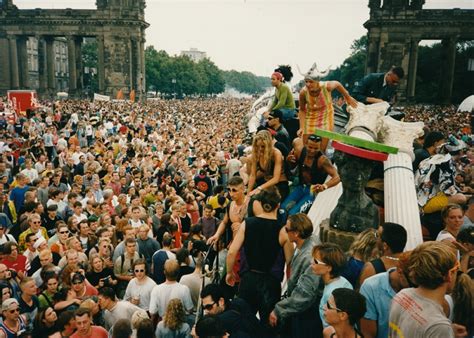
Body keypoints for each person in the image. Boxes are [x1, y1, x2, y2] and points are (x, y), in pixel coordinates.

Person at [226, 186, 293, 331]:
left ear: (261, 204)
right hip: (270, 283)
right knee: (268, 326)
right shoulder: (282, 230)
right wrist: (290, 287)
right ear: (278, 205)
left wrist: (229, 273)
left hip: (248, 279)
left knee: (243, 321)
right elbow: (290, 263)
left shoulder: (247, 223)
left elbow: (231, 252)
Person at [389, 241, 467, 338]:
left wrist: (447, 332)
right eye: (457, 269)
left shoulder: (402, 295)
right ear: (449, 275)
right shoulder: (438, 325)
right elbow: (430, 326)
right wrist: (443, 332)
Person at [269, 213, 323, 337]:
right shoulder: (311, 240)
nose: (285, 231)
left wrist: (279, 309)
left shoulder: (308, 257)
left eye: (287, 229)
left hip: (307, 314)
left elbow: (305, 294)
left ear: (296, 233)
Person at [297, 63, 357, 151]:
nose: (308, 84)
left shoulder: (327, 86)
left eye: (311, 82)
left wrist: (347, 97)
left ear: (317, 81)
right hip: (311, 117)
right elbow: (302, 110)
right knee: (306, 146)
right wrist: (301, 127)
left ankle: (320, 160)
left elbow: (337, 84)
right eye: (306, 81)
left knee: (321, 148)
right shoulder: (303, 92)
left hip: (326, 115)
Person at [283, 134, 340, 215]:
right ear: (306, 144)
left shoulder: (322, 160)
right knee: (282, 209)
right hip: (300, 186)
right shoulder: (299, 152)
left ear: (320, 147)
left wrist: (325, 186)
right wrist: (288, 160)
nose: (312, 151)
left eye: (316, 148)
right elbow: (292, 167)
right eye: (310, 147)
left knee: (294, 214)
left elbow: (337, 177)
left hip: (312, 191)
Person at [359, 251, 412, 338]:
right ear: (399, 271)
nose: (416, 288)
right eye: (412, 283)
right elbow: (367, 334)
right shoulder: (371, 286)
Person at [311, 243, 353, 328]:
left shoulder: (331, 294)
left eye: (315, 261)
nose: (311, 262)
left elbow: (330, 326)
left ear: (329, 268)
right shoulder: (343, 281)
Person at [358, 222, 407, 286]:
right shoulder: (411, 266)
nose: (375, 238)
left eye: (377, 235)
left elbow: (362, 294)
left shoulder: (372, 268)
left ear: (385, 246)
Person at [247, 130, 289, 201]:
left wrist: (259, 188)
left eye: (263, 146)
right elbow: (252, 175)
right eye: (257, 146)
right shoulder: (256, 154)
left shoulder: (276, 153)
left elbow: (276, 179)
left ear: (268, 144)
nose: (260, 149)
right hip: (266, 185)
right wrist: (248, 193)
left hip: (280, 185)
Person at [149, 259, 193, 325]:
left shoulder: (156, 289)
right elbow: (190, 309)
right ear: (178, 272)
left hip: (163, 323)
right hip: (180, 324)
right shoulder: (184, 289)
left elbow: (152, 311)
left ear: (164, 272)